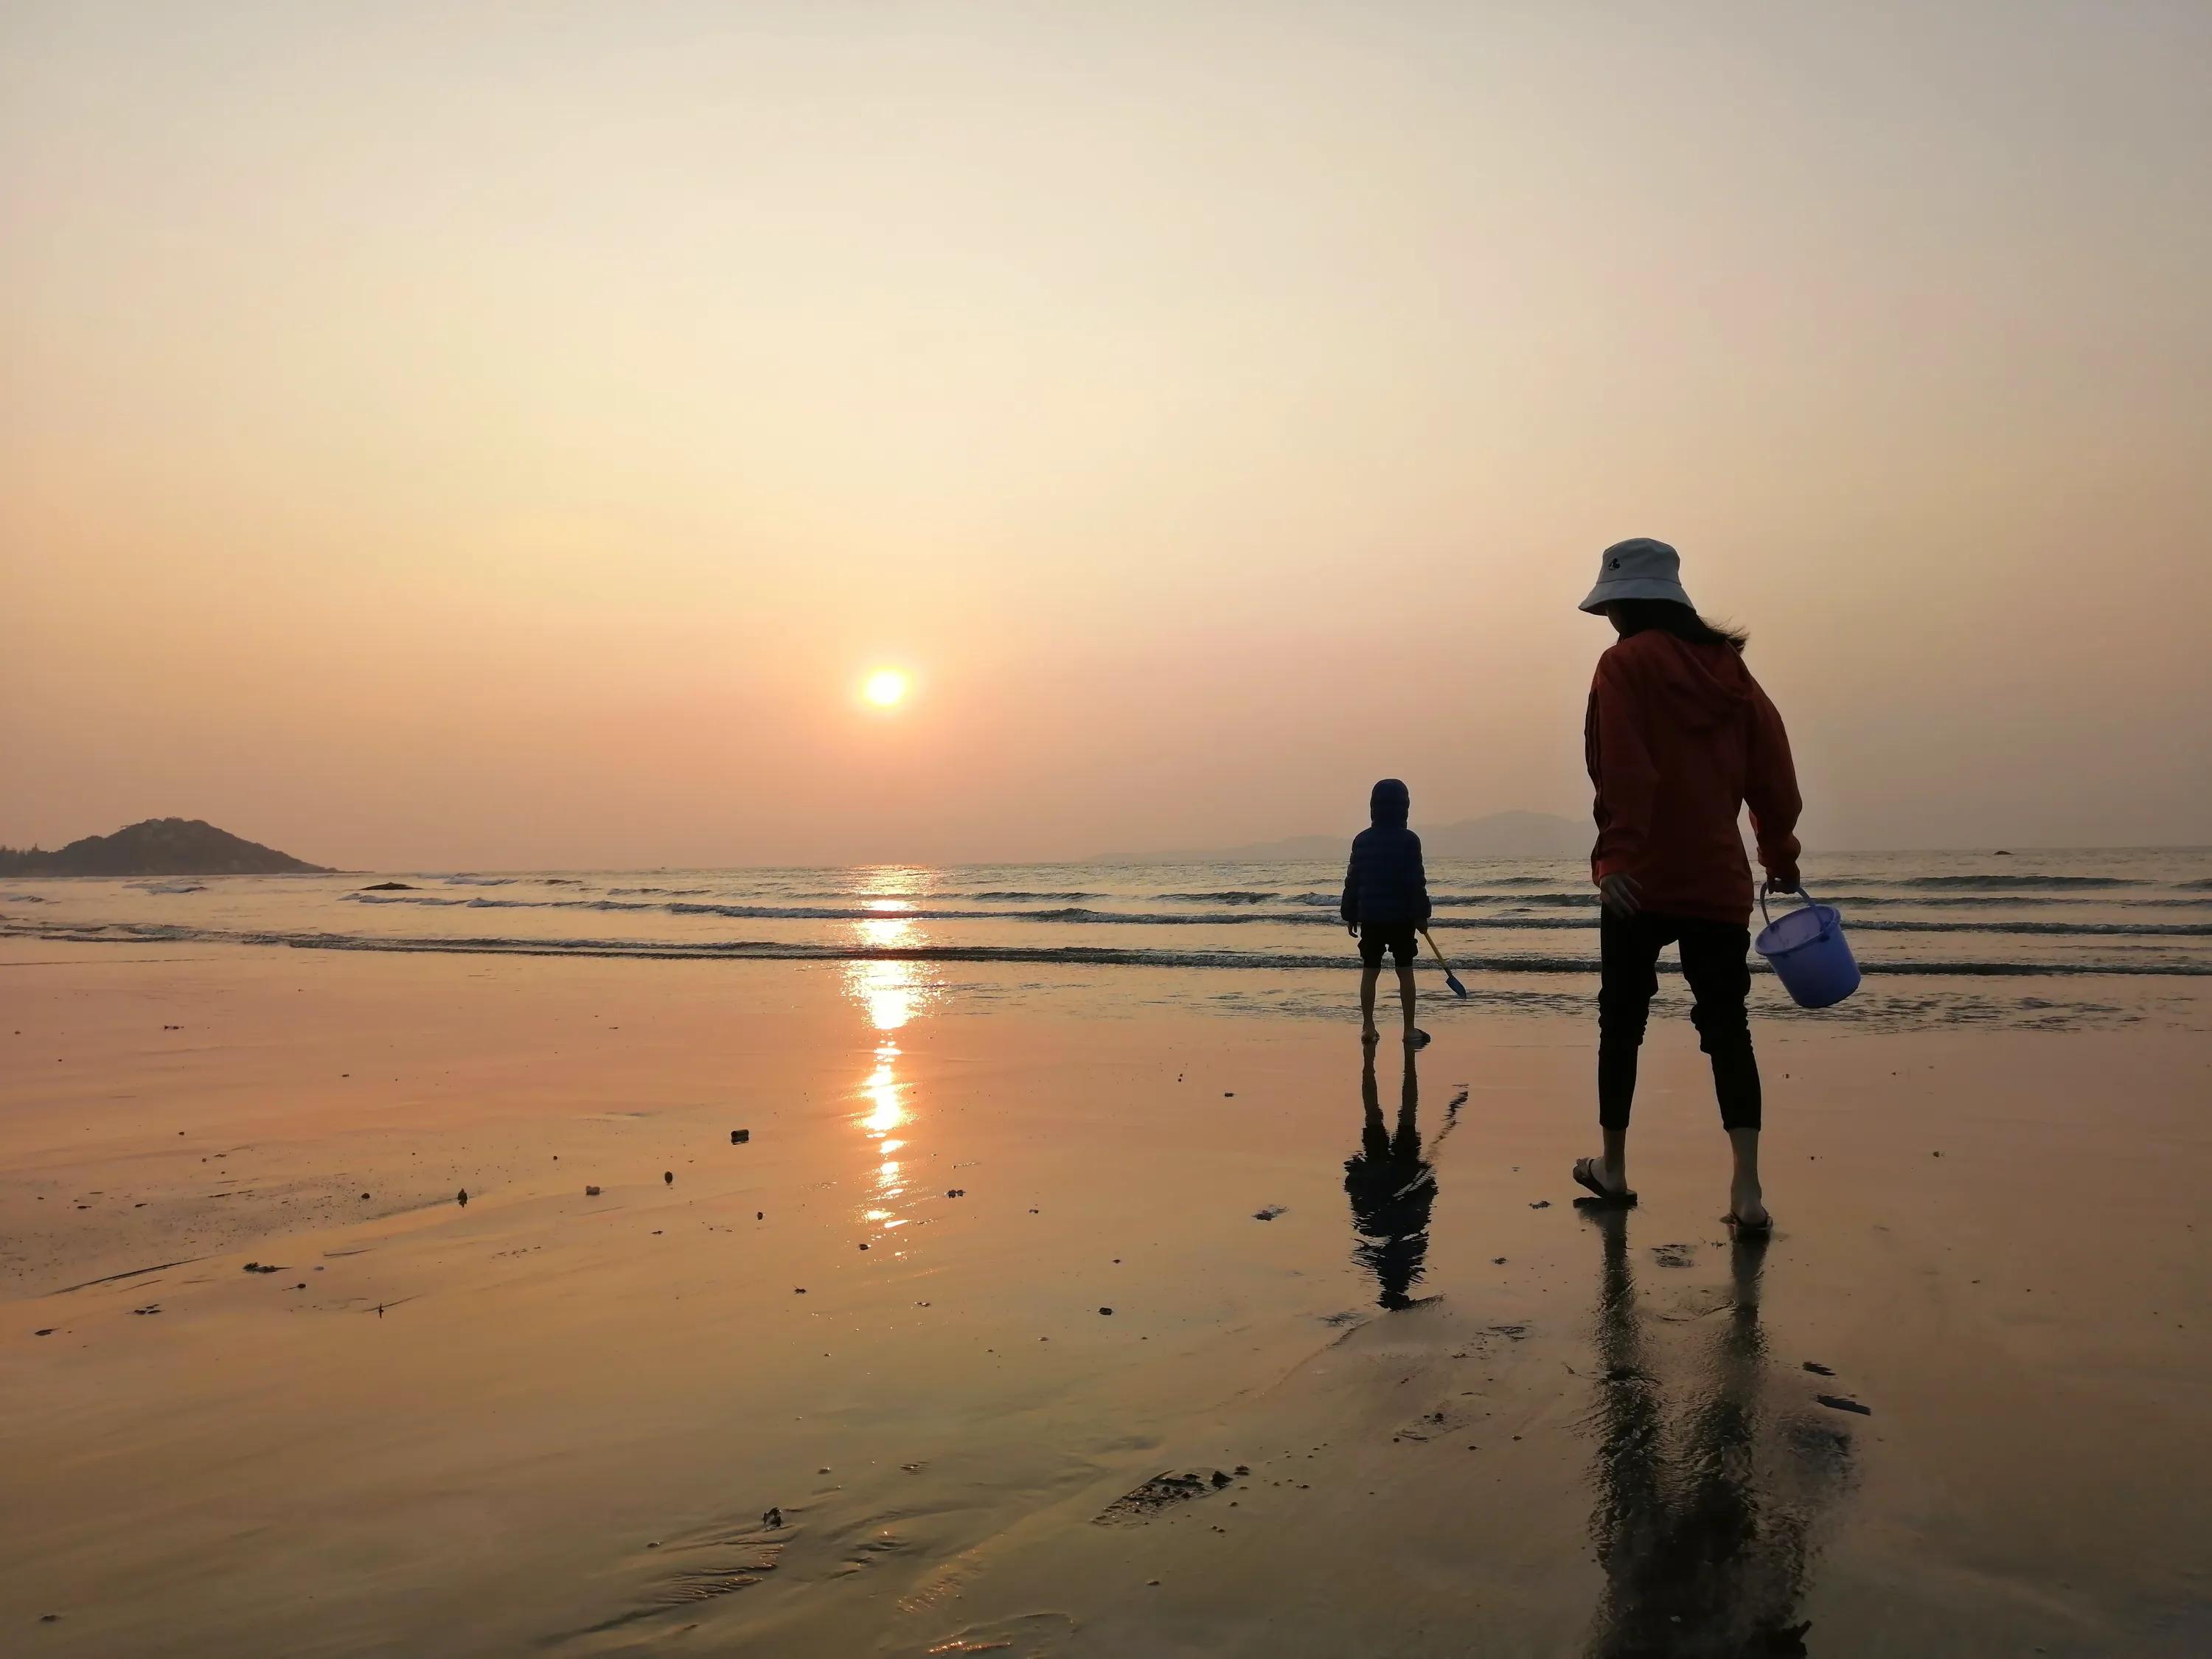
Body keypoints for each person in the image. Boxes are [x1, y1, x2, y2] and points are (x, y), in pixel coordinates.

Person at [1572, 539, 1802, 1232]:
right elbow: (1773, 770)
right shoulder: (1732, 671)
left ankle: (1614, 1167)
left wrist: (1617, 856)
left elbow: (1622, 767)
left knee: (1622, 1022)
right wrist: (1778, 853)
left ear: (1626, 604)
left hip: (1639, 879)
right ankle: (1747, 1191)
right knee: (1728, 1028)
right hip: (1717, 879)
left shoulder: (1622, 665)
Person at [1341, 777, 1432, 1046]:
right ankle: (1409, 1029)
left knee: (1370, 970)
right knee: (1405, 970)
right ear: (1404, 807)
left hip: (1371, 917)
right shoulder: (1409, 841)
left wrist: (1350, 913)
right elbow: (1415, 882)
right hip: (1402, 918)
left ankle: (1368, 1027)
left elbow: (1353, 880)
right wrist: (1421, 915)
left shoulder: (1362, 841)